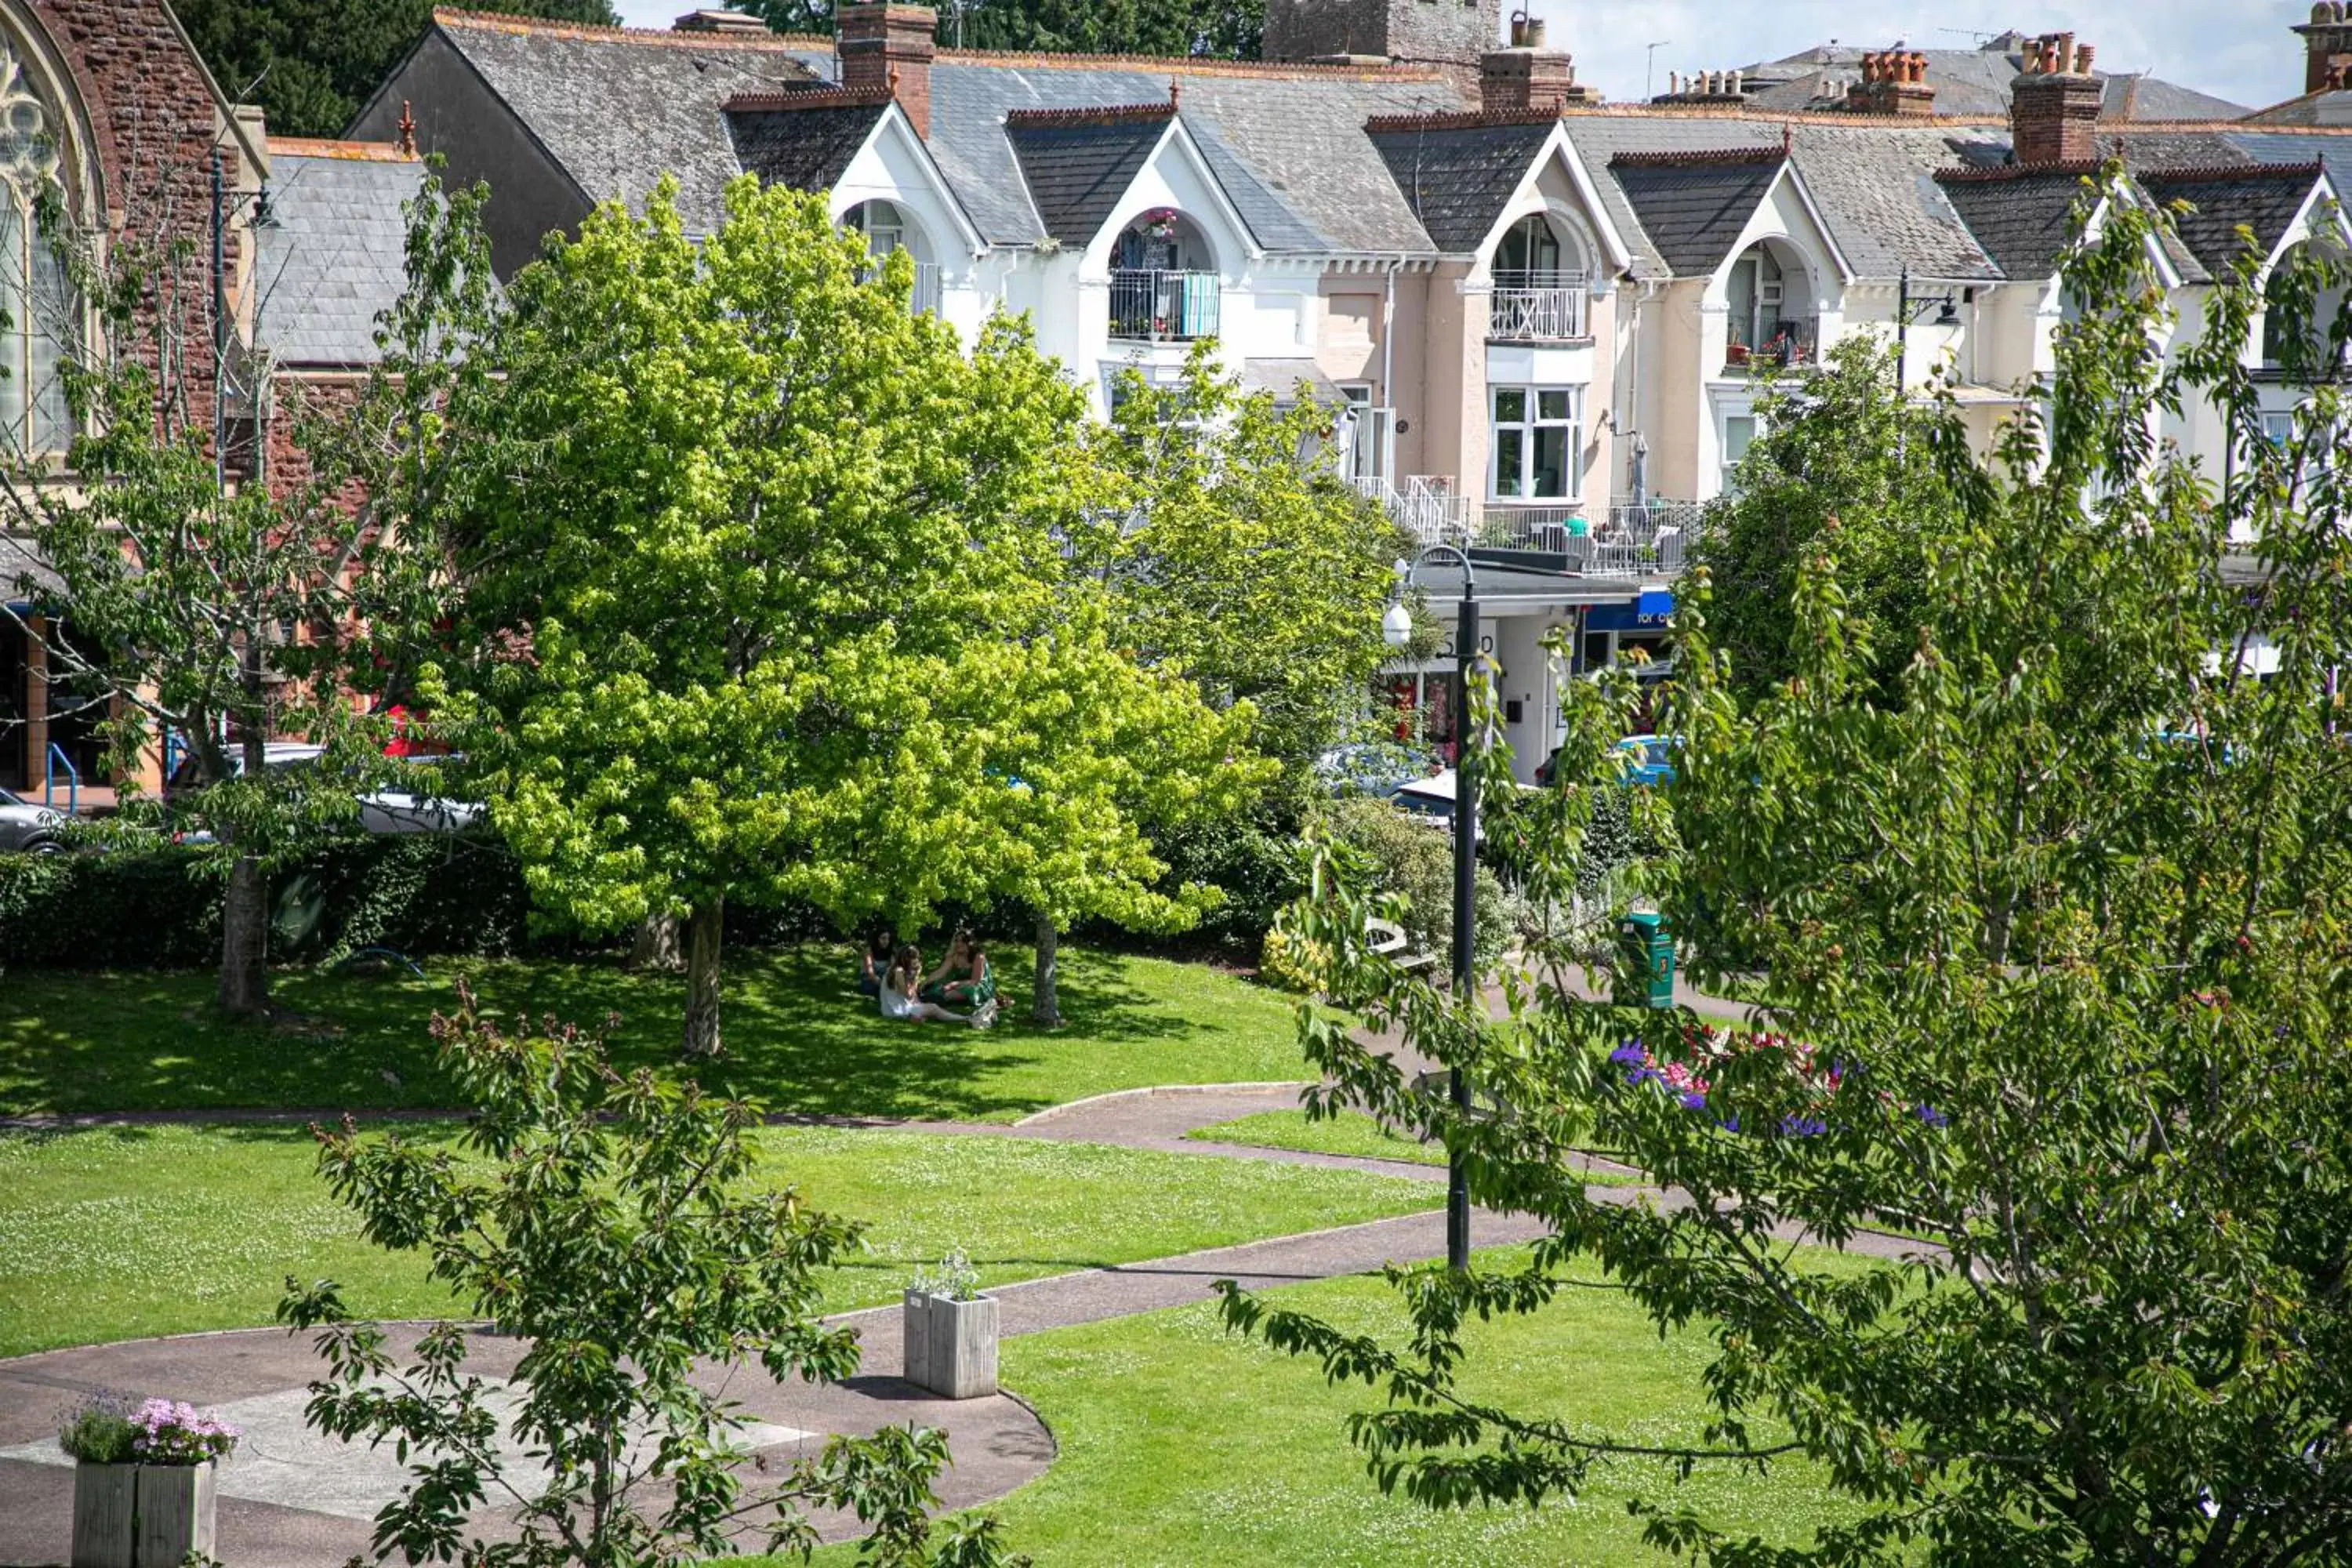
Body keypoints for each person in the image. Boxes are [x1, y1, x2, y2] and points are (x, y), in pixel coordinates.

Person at [880, 945, 968, 1024]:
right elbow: (909, 995)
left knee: (931, 1007)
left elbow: (912, 997)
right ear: (910, 959)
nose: (917, 961)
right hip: (895, 1012)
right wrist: (916, 976)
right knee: (933, 1008)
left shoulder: (894, 970)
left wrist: (919, 1004)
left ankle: (917, 1017)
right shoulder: (899, 972)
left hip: (893, 1009)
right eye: (916, 958)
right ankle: (966, 1018)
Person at [856, 930, 895, 999]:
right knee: (870, 989)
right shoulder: (869, 950)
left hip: (883, 979)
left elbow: (893, 971)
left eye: (888, 939)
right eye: (883, 938)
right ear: (877, 939)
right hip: (869, 979)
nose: (886, 941)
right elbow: (871, 974)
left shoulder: (890, 952)